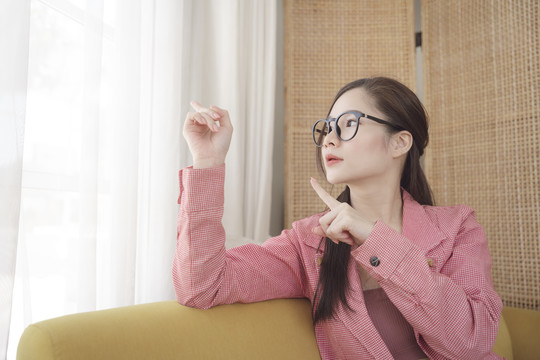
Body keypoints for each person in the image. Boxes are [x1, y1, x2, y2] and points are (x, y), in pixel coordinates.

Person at [172, 77, 503, 359]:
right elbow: (201, 288)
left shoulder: (458, 226)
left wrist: (375, 240)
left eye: (348, 124)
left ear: (400, 142)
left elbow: (472, 340)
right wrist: (207, 161)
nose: (329, 139)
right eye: (327, 127)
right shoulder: (309, 241)